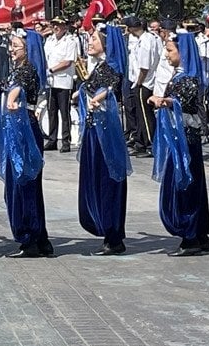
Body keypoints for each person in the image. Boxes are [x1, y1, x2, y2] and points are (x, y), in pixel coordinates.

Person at [0, 28, 51, 258]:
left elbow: (15, 90)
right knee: (24, 183)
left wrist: (13, 102)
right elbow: (1, 88)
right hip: (17, 132)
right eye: (12, 45)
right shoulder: (17, 71)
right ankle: (40, 238)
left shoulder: (28, 72)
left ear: (28, 50)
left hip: (25, 133)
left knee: (23, 183)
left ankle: (30, 239)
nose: (12, 49)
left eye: (16, 46)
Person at [150, 33, 209, 256]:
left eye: (170, 50)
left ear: (183, 52)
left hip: (185, 139)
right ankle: (200, 235)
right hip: (181, 137)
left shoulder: (188, 78)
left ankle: (191, 236)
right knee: (192, 183)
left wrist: (162, 100)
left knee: (185, 184)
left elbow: (183, 103)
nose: (167, 55)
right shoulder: (182, 77)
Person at [75, 25, 130, 256]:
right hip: (93, 128)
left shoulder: (111, 67)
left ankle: (114, 235)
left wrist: (95, 97)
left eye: (94, 39)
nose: (90, 42)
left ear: (106, 43)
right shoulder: (98, 67)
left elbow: (109, 89)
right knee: (96, 177)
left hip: (105, 131)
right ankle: (105, 228)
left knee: (108, 178)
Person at [125, 16, 161, 156]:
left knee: (146, 116)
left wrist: (139, 83)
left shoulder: (146, 40)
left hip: (144, 82)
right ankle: (141, 142)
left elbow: (144, 67)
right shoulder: (146, 39)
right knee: (140, 116)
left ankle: (151, 144)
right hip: (142, 80)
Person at [42, 16, 77, 152]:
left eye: (58, 25)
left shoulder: (70, 41)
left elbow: (67, 61)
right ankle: (52, 139)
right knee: (51, 111)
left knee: (64, 112)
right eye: (54, 25)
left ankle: (66, 140)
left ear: (65, 27)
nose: (55, 27)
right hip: (51, 81)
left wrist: (51, 69)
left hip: (63, 80)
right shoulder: (49, 40)